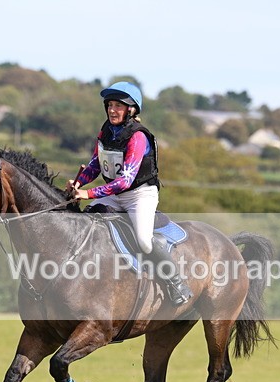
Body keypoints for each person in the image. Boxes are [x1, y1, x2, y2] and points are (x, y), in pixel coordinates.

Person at [66, 81, 193, 305]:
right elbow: (95, 165)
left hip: (139, 195)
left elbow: (125, 181)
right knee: (87, 224)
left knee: (144, 241)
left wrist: (89, 194)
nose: (113, 110)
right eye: (110, 105)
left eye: (118, 106)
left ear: (131, 110)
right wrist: (78, 184)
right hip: (113, 193)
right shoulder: (106, 131)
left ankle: (177, 283)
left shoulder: (138, 137)